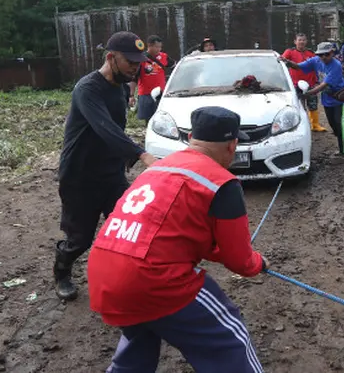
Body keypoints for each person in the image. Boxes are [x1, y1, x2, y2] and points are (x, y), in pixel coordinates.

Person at [87, 106, 270, 373]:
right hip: (154, 280)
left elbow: (177, 235)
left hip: (105, 274)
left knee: (138, 341)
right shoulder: (223, 183)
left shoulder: (156, 170)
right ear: (232, 145)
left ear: (192, 137)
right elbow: (239, 261)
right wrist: (257, 263)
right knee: (230, 341)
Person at [53, 31, 158, 301]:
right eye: (130, 62)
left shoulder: (122, 87)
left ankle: (125, 280)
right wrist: (142, 155)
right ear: (111, 58)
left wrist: (124, 159)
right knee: (80, 239)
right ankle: (62, 270)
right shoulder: (87, 89)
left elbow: (118, 130)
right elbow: (105, 128)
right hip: (80, 175)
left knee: (126, 227)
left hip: (111, 174)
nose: (135, 68)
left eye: (138, 63)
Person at [281, 42, 344, 156]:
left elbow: (324, 85)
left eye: (326, 54)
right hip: (327, 98)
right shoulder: (315, 61)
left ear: (332, 53)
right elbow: (298, 66)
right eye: (320, 54)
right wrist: (286, 62)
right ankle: (342, 140)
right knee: (332, 124)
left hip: (339, 98)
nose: (323, 57)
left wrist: (306, 94)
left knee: (339, 123)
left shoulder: (336, 65)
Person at [281, 33, 327, 132]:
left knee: (313, 105)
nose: (301, 42)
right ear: (295, 41)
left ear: (306, 41)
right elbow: (282, 61)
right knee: (298, 105)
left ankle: (315, 125)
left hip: (311, 83)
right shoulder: (290, 52)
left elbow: (318, 66)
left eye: (303, 40)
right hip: (295, 84)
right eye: (299, 40)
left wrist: (317, 81)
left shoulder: (311, 53)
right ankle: (300, 126)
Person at [129, 35, 169, 125]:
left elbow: (175, 67)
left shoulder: (164, 57)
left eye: (160, 47)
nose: (159, 49)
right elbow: (134, 78)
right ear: (149, 45)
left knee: (163, 119)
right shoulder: (141, 59)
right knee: (149, 121)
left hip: (161, 94)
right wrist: (131, 95)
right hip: (146, 95)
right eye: (156, 47)